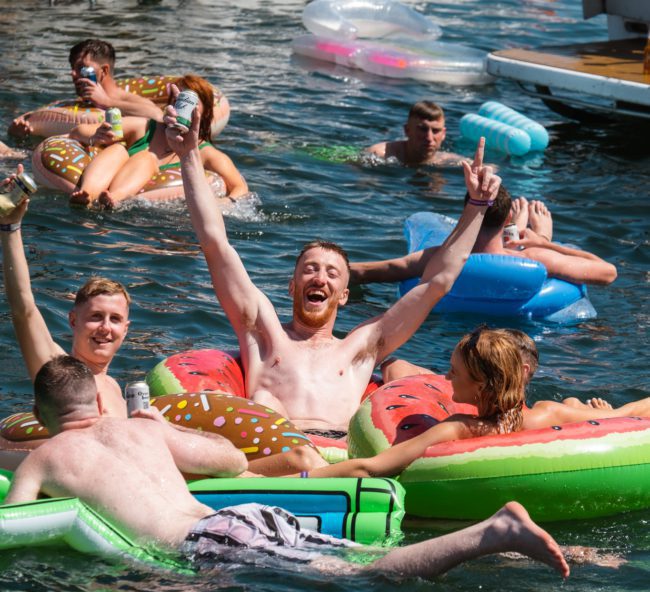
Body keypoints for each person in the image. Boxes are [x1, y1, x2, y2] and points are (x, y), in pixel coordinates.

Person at [4, 355, 570, 580]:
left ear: (41, 414)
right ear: (99, 403)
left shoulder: (47, 455)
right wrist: (161, 428)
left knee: (364, 576)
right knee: (366, 559)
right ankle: (505, 539)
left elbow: (13, 523)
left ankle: (494, 533)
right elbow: (228, 458)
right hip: (244, 514)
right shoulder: (140, 427)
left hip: (206, 543)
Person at [164, 90, 501, 438]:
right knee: (265, 401)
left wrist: (476, 205)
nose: (319, 278)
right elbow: (215, 244)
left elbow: (437, 283)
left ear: (343, 295)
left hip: (340, 453)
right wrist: (189, 155)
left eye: (332, 273)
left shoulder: (361, 346)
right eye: (309, 269)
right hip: (272, 447)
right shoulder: (263, 334)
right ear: (292, 286)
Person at [0, 169, 130, 416]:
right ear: (73, 320)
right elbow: (23, 309)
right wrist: (11, 227)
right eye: (95, 316)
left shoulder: (114, 388)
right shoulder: (60, 370)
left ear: (126, 329)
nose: (105, 327)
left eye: (115, 319)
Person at [380, 327, 650, 431]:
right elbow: (394, 366)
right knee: (571, 401)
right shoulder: (460, 393)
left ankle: (581, 406)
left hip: (556, 417)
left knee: (571, 403)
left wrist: (611, 414)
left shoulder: (544, 415)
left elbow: (628, 415)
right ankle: (579, 405)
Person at [350, 186, 617, 286]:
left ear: (466, 214)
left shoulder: (439, 259)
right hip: (517, 263)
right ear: (506, 219)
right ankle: (531, 230)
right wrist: (542, 242)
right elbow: (608, 272)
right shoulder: (536, 259)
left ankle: (522, 229)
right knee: (527, 242)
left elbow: (364, 272)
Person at [68, 76, 248, 208]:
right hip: (111, 175)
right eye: (177, 99)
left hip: (134, 206)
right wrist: (96, 136)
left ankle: (115, 198)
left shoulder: (205, 152)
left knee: (148, 159)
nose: (181, 105)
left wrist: (221, 205)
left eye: (189, 100)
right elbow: (78, 132)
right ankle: (87, 194)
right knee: (118, 149)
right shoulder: (146, 127)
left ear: (205, 112)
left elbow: (240, 187)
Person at [8, 39, 163, 138]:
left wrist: (106, 102)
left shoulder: (126, 100)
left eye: (81, 68)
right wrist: (20, 134)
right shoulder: (77, 104)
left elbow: (157, 115)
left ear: (104, 71)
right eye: (72, 68)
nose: (73, 73)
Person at [365, 100, 466, 166]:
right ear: (407, 130)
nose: (429, 138)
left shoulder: (451, 161)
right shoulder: (379, 154)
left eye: (435, 131)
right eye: (422, 129)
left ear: (444, 134)